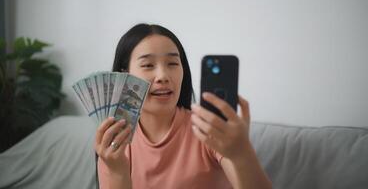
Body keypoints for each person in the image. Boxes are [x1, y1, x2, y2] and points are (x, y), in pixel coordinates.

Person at [94, 23, 272, 189]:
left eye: (172, 63)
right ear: (125, 76)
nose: (163, 76)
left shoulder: (207, 130)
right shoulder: (114, 141)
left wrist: (241, 153)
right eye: (148, 65)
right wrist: (117, 172)